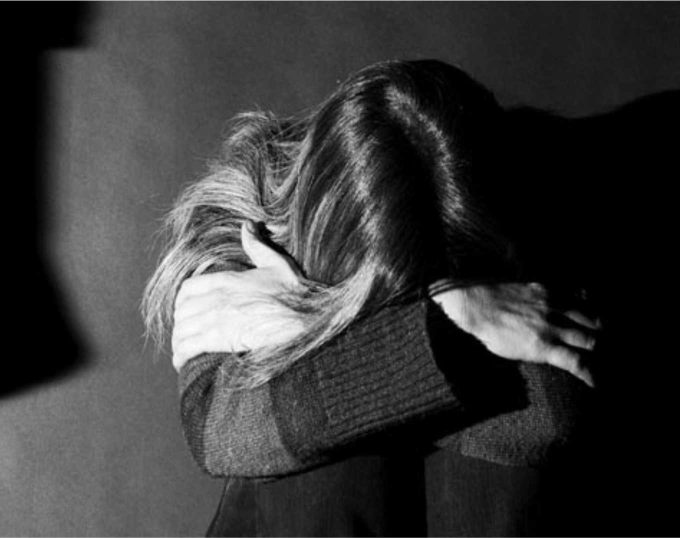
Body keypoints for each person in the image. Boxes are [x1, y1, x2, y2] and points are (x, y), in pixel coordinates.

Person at [142, 60, 604, 536]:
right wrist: (452, 320)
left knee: (323, 403)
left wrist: (316, 331)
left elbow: (556, 412)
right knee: (323, 458)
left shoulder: (548, 194)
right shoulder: (247, 220)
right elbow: (218, 432)